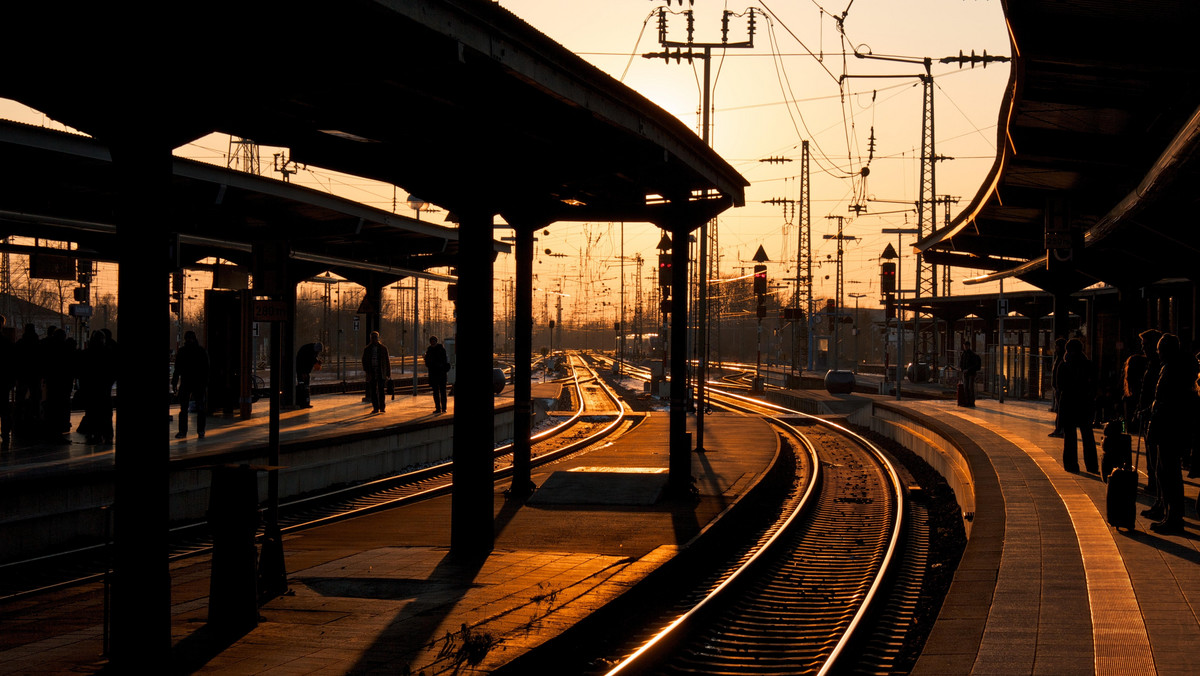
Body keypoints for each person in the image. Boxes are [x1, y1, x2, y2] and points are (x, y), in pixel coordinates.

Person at [1143, 333, 1199, 534]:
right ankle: (1169, 514)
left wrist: (1155, 417)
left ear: (1166, 350)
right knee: (1164, 472)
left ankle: (1174, 518)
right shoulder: (1174, 367)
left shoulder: (1172, 369)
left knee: (1169, 474)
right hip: (1171, 427)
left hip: (1169, 428)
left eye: (1159, 350)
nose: (1157, 353)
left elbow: (1166, 401)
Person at [1059, 338, 1098, 473]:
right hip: (1085, 405)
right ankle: (1092, 466)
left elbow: (1060, 387)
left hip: (1069, 405)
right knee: (1088, 436)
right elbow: (1094, 384)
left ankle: (1071, 465)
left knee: (1070, 437)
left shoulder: (1064, 366)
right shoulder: (1088, 365)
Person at [1135, 329, 1163, 493]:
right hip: (1149, 414)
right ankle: (1154, 486)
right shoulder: (1152, 365)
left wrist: (1146, 409)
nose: (1142, 348)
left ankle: (1157, 487)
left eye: (1145, 344)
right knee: (1152, 455)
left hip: (1156, 417)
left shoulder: (1158, 367)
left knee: (1156, 456)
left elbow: (1157, 394)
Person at [78, 330, 116, 444]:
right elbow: (113, 371)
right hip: (104, 388)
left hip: (91, 388)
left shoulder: (86, 354)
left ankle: (93, 433)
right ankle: (107, 434)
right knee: (106, 412)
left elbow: (81, 372)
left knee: (91, 411)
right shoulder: (108, 353)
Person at [171, 331, 209, 439]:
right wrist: (205, 383)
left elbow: (177, 369)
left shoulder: (182, 352)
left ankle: (183, 431)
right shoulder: (201, 351)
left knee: (183, 409)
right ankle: (200, 431)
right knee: (200, 408)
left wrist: (174, 382)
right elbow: (206, 368)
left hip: (186, 382)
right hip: (199, 383)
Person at [362, 331, 391, 413]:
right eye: (373, 337)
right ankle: (376, 407)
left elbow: (387, 361)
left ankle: (382, 407)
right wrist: (366, 371)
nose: (374, 339)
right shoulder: (367, 349)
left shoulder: (383, 348)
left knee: (381, 390)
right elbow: (364, 361)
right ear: (371, 338)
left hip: (381, 372)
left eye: (375, 337)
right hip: (371, 372)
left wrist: (388, 373)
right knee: (373, 391)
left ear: (378, 338)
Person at [424, 335, 449, 414]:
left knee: (441, 392)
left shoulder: (438, 350)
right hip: (436, 374)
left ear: (435, 341)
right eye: (432, 341)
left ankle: (443, 408)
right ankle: (439, 408)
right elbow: (427, 363)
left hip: (439, 374)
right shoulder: (431, 350)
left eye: (433, 341)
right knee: (437, 392)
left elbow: (445, 362)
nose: (432, 343)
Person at [0, 315, 14, 451]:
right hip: (3, 381)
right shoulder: (6, 343)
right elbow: (11, 364)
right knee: (4, 409)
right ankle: (5, 434)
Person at [1048, 337, 1067, 437]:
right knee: (1059, 410)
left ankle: (1060, 429)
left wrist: (1058, 387)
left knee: (1060, 410)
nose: (1055, 348)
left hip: (1060, 389)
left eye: (1056, 346)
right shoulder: (1059, 357)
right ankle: (1059, 429)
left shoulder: (1063, 358)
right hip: (1058, 388)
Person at [295, 342, 323, 408]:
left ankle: (305, 402)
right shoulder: (307, 351)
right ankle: (302, 403)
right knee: (302, 386)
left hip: (306, 371)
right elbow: (301, 362)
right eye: (317, 351)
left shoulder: (312, 351)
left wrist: (318, 362)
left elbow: (312, 360)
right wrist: (303, 372)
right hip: (302, 371)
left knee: (306, 386)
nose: (318, 353)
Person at [958, 341, 980, 407]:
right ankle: (967, 402)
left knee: (970, 387)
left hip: (971, 373)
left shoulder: (972, 354)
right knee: (966, 388)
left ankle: (971, 402)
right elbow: (961, 363)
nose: (965, 347)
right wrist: (962, 369)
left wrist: (967, 369)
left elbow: (974, 365)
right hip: (965, 373)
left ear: (968, 346)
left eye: (966, 346)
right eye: (964, 346)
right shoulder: (963, 354)